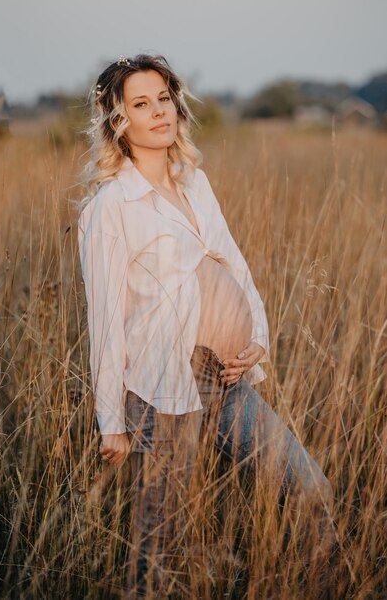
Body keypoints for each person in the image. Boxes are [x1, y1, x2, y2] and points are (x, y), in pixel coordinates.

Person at [76, 53, 336, 597]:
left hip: (224, 377)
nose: (159, 112)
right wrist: (110, 424)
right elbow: (104, 322)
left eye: (164, 99)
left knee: (309, 487)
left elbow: (233, 265)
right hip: (157, 390)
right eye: (140, 104)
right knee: (160, 543)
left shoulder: (195, 182)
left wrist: (257, 341)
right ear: (117, 121)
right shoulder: (111, 207)